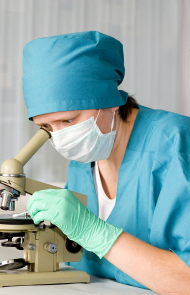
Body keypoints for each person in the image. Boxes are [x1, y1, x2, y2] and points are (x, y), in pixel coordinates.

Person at [22, 31, 190, 294]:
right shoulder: (86, 156)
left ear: (110, 101)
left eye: (68, 120)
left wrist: (94, 233)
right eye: (46, 127)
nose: (61, 137)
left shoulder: (176, 143)